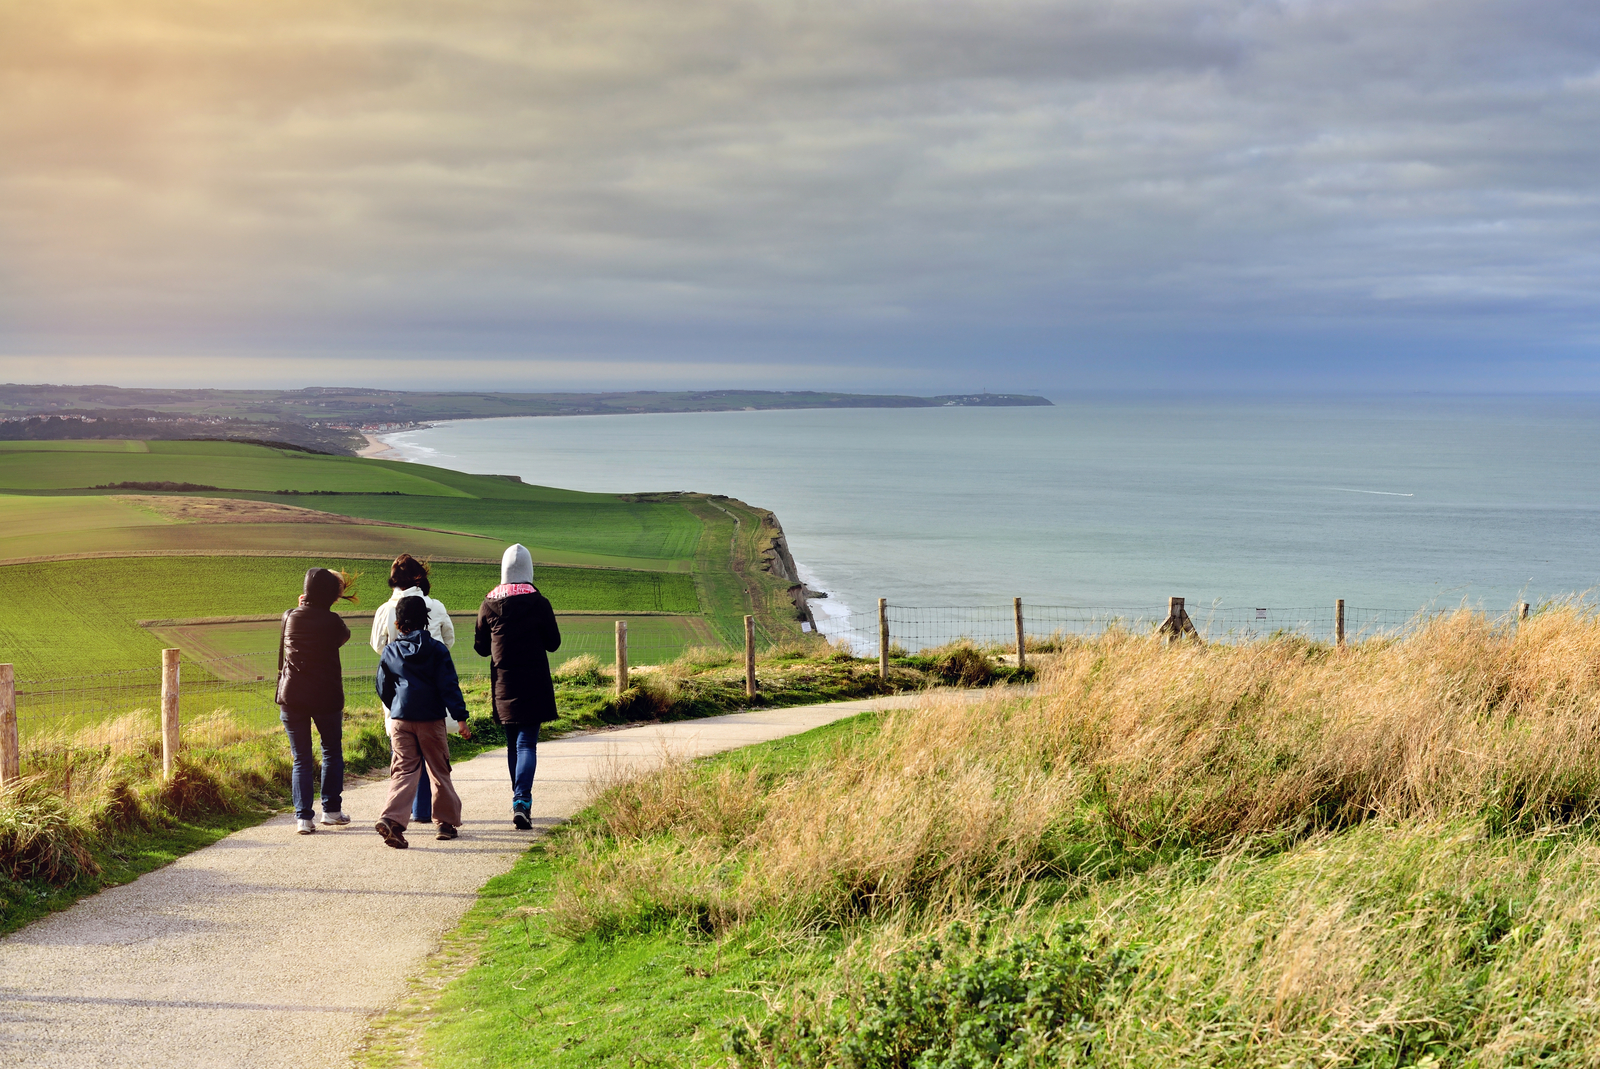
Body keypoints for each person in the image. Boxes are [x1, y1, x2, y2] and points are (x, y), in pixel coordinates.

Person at [475, 544, 560, 830]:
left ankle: (519, 800)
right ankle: (521, 801)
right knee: (527, 744)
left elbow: (481, 649)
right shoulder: (539, 602)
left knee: (513, 744)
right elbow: (554, 643)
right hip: (534, 681)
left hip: (503, 682)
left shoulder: (488, 603)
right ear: (529, 570)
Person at [375, 596, 472, 848]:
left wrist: (397, 704)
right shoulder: (437, 650)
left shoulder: (390, 650)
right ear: (426, 620)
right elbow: (449, 686)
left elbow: (382, 687)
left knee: (404, 770)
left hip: (400, 719)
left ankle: (391, 820)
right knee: (438, 770)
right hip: (430, 719)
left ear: (398, 623)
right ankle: (445, 824)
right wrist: (461, 719)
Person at [370, 554, 455, 825]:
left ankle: (402, 816)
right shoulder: (437, 606)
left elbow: (377, 645)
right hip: (431, 695)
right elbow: (449, 640)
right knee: (436, 761)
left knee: (405, 759)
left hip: (399, 694)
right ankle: (435, 816)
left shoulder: (386, 609)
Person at [276, 567, 355, 834]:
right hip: (326, 696)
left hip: (292, 695)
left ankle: (303, 818)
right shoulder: (333, 622)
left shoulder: (289, 616)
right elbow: (344, 637)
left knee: (301, 757)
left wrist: (301, 607)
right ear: (332, 595)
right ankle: (331, 811)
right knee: (331, 750)